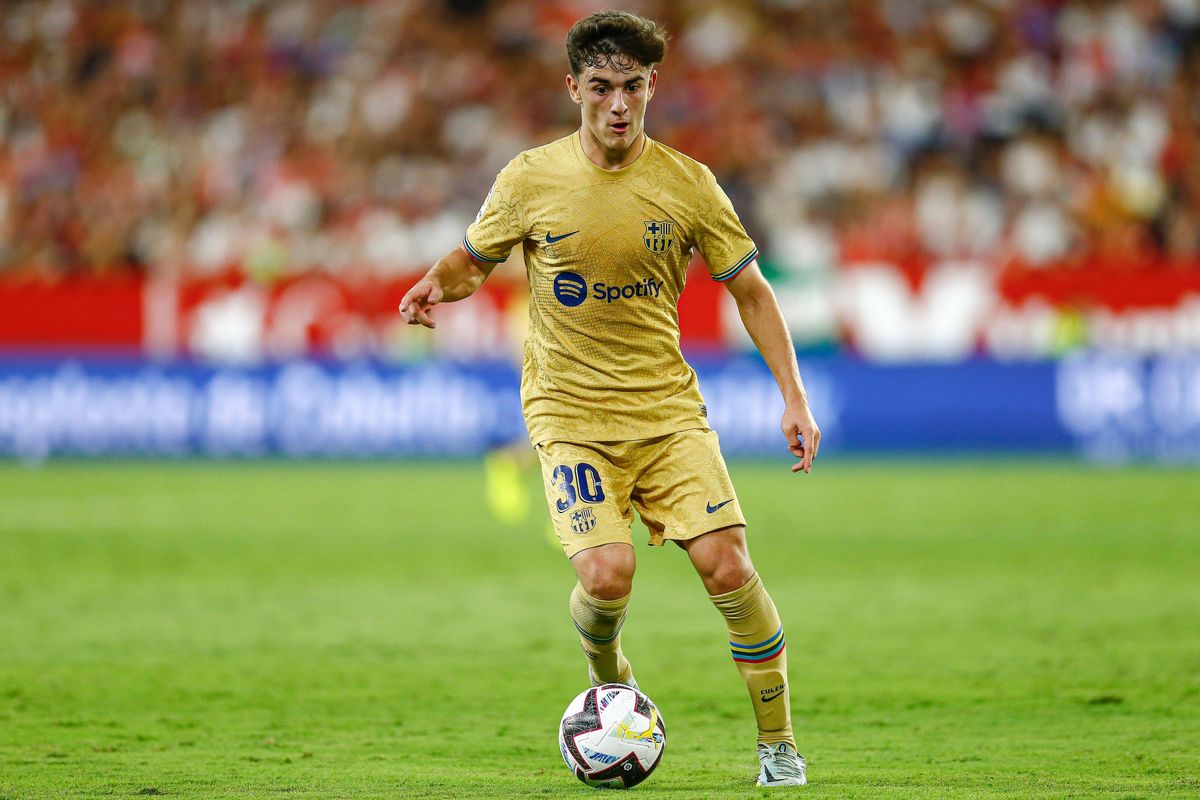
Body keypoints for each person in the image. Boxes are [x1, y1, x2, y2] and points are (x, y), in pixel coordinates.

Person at [400, 10, 820, 788]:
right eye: (601, 87)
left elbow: (754, 294)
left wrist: (793, 398)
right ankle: (608, 673)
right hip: (566, 416)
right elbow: (471, 260)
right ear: (573, 89)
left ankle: (779, 746)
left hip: (666, 413)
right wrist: (436, 286)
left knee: (727, 566)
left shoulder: (689, 185)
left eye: (633, 86)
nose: (618, 104)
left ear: (653, 86)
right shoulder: (529, 179)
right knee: (606, 576)